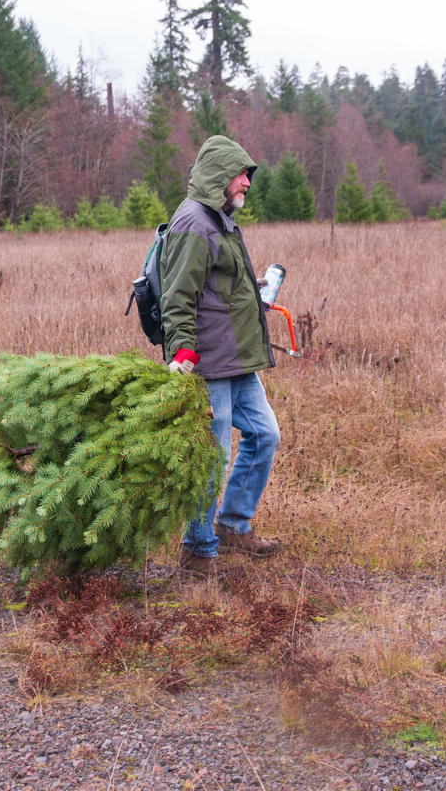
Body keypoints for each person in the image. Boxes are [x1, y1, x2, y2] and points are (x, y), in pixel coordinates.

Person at [159, 135, 282, 577]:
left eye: (249, 175)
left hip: (238, 360)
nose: (248, 182)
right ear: (218, 175)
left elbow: (221, 287)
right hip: (207, 362)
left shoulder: (220, 218)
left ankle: (232, 526)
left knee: (265, 435)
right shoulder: (194, 224)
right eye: (241, 173)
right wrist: (183, 352)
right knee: (211, 458)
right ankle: (198, 549)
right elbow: (177, 297)